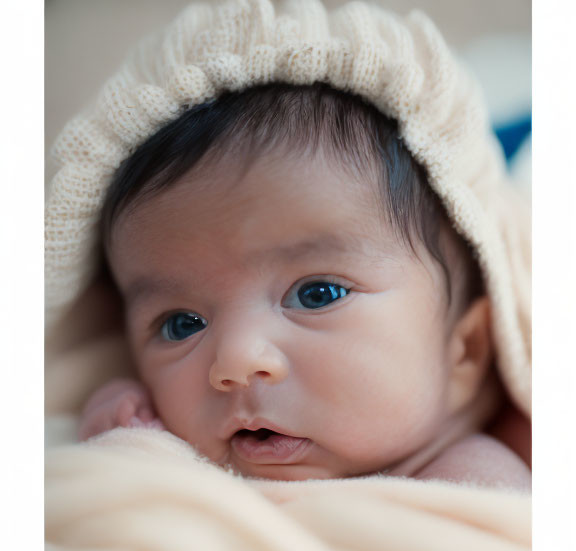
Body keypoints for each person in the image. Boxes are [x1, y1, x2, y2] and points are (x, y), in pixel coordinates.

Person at [77, 82, 531, 490]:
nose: (235, 359)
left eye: (318, 295)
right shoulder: (205, 470)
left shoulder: (473, 490)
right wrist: (131, 446)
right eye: (181, 325)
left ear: (464, 352)